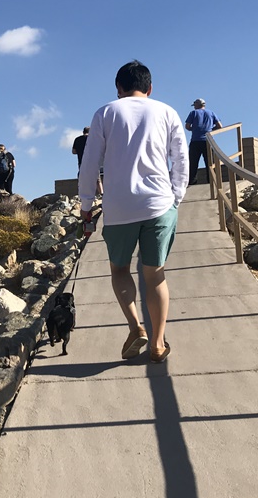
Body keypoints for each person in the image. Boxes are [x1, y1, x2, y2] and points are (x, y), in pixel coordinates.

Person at [79, 60, 189, 363]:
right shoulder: (167, 112)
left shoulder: (105, 113)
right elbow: (180, 157)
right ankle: (157, 343)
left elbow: (90, 163)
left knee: (120, 270)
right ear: (150, 88)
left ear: (118, 89)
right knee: (155, 275)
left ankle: (135, 326)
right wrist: (176, 196)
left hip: (119, 207)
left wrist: (86, 204)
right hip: (159, 204)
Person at [184, 98, 222, 186]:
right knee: (210, 163)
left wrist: (193, 129)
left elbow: (187, 126)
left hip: (195, 141)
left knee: (193, 163)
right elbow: (220, 126)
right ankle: (212, 182)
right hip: (208, 141)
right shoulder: (211, 113)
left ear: (197, 105)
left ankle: (192, 183)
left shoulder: (193, 113)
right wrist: (210, 130)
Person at [73, 126, 103, 196]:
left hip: (82, 163)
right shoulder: (93, 139)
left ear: (83, 132)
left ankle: (82, 195)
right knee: (97, 179)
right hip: (93, 162)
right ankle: (101, 194)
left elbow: (73, 151)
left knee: (82, 179)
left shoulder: (77, 139)